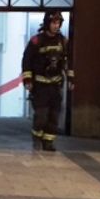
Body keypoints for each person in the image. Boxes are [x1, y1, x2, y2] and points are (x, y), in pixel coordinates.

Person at [21, 10, 74, 152]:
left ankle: (48, 142)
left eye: (58, 23)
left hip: (55, 85)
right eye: (53, 23)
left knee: (54, 116)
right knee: (41, 116)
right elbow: (27, 61)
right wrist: (27, 80)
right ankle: (37, 137)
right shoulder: (36, 41)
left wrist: (71, 78)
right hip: (40, 86)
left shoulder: (63, 42)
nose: (56, 26)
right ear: (47, 23)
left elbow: (69, 62)